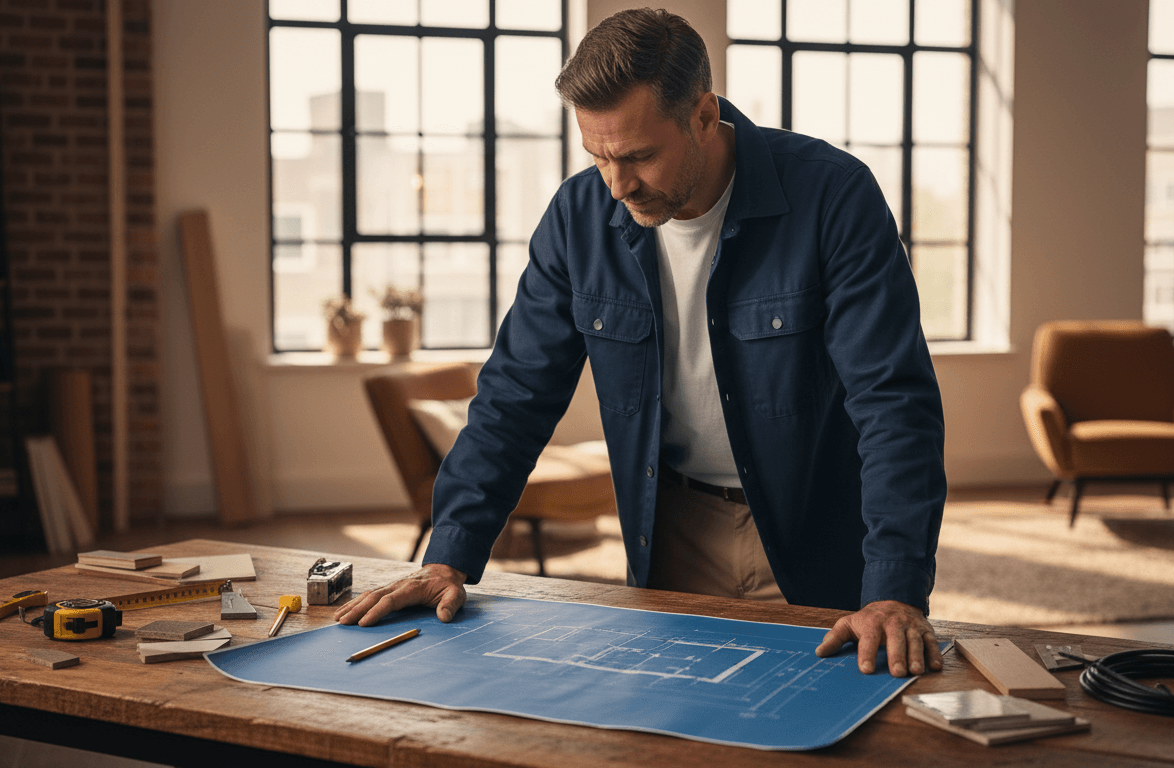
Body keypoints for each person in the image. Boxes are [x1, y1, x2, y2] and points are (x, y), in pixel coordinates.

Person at [336, 8, 947, 679]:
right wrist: (448, 555)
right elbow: (514, 396)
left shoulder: (833, 195)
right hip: (672, 525)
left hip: (815, 526)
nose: (617, 184)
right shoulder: (578, 218)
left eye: (638, 156)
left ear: (704, 116)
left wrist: (894, 587)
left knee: (833, 710)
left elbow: (893, 401)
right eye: (598, 156)